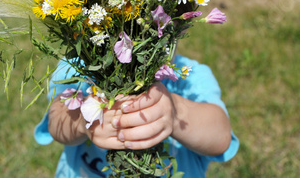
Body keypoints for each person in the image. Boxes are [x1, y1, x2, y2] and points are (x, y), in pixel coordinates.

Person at [34, 54, 239, 177]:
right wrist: (82, 119)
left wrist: (175, 113)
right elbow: (57, 121)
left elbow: (221, 138)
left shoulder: (190, 76)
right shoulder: (78, 66)